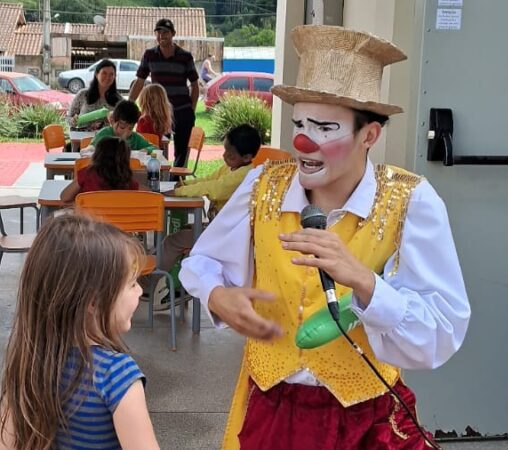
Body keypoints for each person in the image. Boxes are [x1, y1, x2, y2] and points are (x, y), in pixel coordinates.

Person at [179, 25, 471, 449]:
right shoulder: (263, 186)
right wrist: (216, 296)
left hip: (364, 419)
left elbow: (441, 331)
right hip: (270, 408)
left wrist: (366, 283)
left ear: (369, 135)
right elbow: (201, 263)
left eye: (324, 127)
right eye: (299, 124)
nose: (302, 141)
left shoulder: (411, 201)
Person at [0, 214, 160, 450]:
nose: (139, 291)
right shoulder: (117, 375)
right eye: (132, 284)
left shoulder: (26, 364)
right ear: (94, 301)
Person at [147, 124, 261, 310]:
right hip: (218, 229)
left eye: (230, 155)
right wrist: (183, 186)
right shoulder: (232, 168)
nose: (224, 157)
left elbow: (213, 190)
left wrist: (181, 192)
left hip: (225, 238)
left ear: (247, 157)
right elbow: (208, 180)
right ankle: (167, 283)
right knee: (177, 237)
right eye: (225, 151)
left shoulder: (244, 176)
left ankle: (148, 284)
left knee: (173, 242)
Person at [129, 18, 199, 171]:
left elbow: (194, 85)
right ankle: (158, 178)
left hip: (182, 110)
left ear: (173, 34)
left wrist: (191, 110)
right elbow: (139, 81)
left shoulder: (185, 56)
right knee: (155, 148)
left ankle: (175, 181)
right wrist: (129, 103)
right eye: (158, 32)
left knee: (181, 151)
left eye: (165, 32)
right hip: (158, 112)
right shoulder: (149, 55)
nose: (162, 35)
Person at [60, 137, 139, 202]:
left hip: (90, 220)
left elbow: (64, 197)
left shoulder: (87, 173)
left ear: (97, 155)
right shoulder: (127, 182)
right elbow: (149, 193)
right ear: (125, 160)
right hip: (120, 221)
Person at [66, 59, 123, 132]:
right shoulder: (83, 94)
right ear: (96, 74)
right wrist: (73, 121)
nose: (107, 77)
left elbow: (124, 124)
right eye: (104, 73)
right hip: (83, 140)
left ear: (115, 76)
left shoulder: (119, 99)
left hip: (107, 140)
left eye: (111, 74)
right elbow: (68, 118)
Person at [88, 100, 156, 153]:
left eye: (130, 128)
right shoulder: (104, 134)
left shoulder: (135, 138)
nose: (126, 133)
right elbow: (90, 148)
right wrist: (91, 149)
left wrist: (146, 150)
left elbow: (155, 148)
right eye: (122, 127)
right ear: (113, 121)